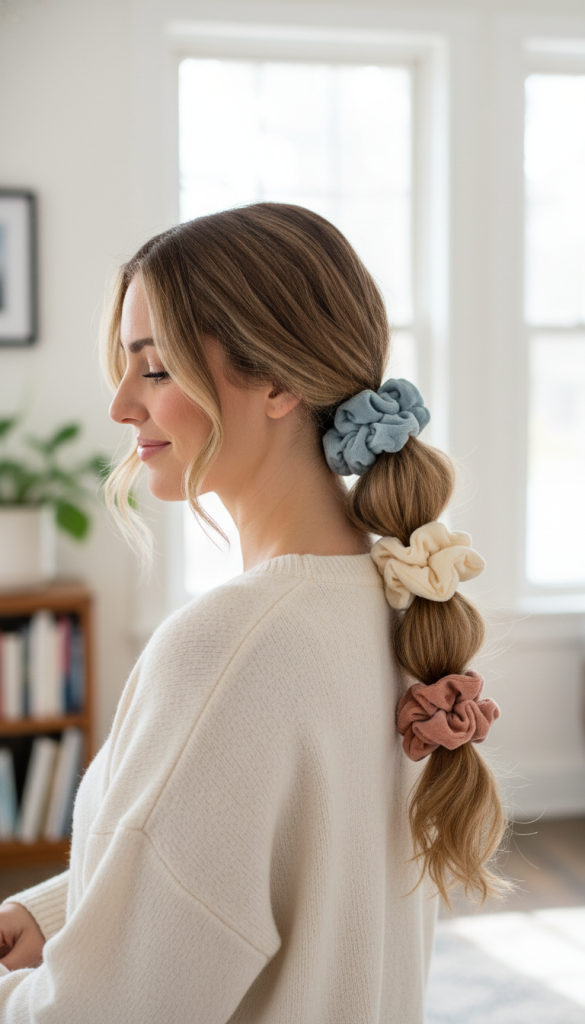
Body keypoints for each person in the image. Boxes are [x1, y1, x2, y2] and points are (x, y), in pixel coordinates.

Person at [0, 203, 506, 1023]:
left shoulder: (229, 647)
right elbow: (264, 875)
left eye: (154, 369)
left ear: (278, 383)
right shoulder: (396, 603)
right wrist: (52, 916)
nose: (121, 406)